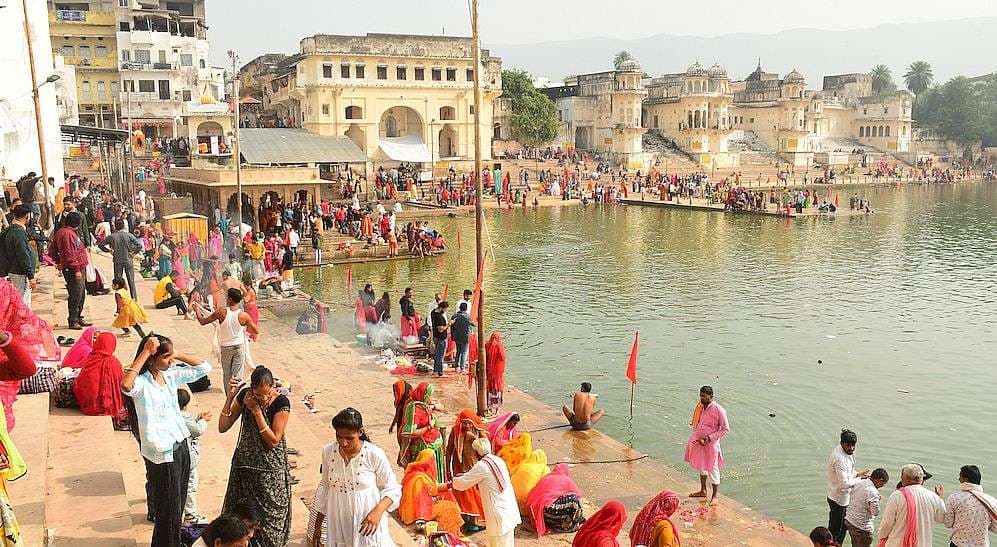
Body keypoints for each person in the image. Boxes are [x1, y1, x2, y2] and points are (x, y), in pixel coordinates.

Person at [121, 334, 212, 547]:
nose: (170, 361)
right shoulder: (142, 383)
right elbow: (126, 385)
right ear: (153, 359)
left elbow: (204, 368)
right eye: (166, 357)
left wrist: (176, 353)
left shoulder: (170, 375)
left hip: (180, 444)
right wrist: (146, 351)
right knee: (168, 511)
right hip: (162, 452)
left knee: (177, 507)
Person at [219, 366, 291, 547]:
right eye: (258, 395)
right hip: (245, 469)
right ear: (251, 389)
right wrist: (230, 398)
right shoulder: (246, 396)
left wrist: (257, 412)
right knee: (241, 519)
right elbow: (223, 426)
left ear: (273, 386)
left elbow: (273, 440)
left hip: (270, 471)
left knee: (271, 522)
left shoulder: (281, 402)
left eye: (266, 395)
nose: (263, 399)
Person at [312, 407, 401, 547]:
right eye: (339, 437)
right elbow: (325, 489)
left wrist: (377, 512)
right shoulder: (328, 452)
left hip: (367, 526)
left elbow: (393, 488)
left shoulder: (374, 454)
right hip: (339, 525)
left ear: (360, 432)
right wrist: (317, 528)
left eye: (349, 438)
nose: (343, 443)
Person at [448, 437, 521, 547]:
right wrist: (462, 477)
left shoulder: (482, 466)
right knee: (507, 541)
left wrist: (451, 483)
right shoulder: (497, 460)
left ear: (476, 453)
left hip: (497, 510)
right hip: (508, 507)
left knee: (498, 541)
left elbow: (462, 483)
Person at [194, 288, 259, 390]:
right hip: (239, 347)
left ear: (230, 299)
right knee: (238, 375)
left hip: (226, 347)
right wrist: (245, 325)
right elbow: (256, 330)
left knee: (227, 374)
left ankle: (229, 397)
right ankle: (237, 397)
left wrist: (197, 311)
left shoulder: (221, 312)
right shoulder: (243, 315)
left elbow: (203, 321)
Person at [877, 463, 946, 547]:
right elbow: (941, 519)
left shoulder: (897, 495)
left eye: (902, 476)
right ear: (921, 479)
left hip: (897, 543)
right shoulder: (933, 497)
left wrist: (882, 537)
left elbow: (887, 523)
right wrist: (940, 499)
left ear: (906, 479)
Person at [684, 385, 730, 504]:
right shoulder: (700, 407)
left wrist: (709, 438)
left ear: (711, 396)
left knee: (713, 467)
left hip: (711, 444)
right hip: (699, 442)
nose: (701, 398)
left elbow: (725, 429)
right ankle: (703, 490)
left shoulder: (719, 410)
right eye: (700, 395)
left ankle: (715, 496)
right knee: (701, 465)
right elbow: (697, 423)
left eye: (704, 396)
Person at [444, 408, 487, 532]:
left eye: (469, 423)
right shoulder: (456, 431)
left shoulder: (479, 432)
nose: (467, 426)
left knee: (475, 497)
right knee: (462, 497)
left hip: (475, 470)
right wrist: (448, 470)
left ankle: (478, 522)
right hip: (459, 468)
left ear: (474, 422)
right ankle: (467, 521)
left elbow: (486, 451)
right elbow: (449, 450)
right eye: (464, 423)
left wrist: (473, 438)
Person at [48, 211, 90, 329]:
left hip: (75, 266)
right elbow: (70, 253)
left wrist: (58, 261)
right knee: (76, 294)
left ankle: (78, 316)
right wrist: (76, 269)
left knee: (81, 293)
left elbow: (52, 250)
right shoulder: (68, 235)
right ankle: (73, 319)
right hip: (74, 268)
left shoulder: (63, 232)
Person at [827, 429, 869, 544]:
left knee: (844, 527)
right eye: (848, 445)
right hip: (838, 499)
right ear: (842, 444)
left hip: (845, 498)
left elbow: (849, 471)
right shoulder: (839, 459)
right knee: (836, 531)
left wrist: (857, 474)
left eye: (853, 445)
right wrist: (859, 479)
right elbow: (844, 484)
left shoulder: (848, 453)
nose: (851, 448)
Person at [178, 388, 211, 525]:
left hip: (180, 456)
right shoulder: (184, 415)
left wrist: (197, 418)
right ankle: (190, 516)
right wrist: (203, 421)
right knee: (190, 485)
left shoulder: (174, 414)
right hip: (188, 458)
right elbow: (197, 430)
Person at [943, 465, 997, 547]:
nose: (958, 479)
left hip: (958, 544)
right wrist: (983, 525)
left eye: (960, 477)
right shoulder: (991, 501)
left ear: (965, 480)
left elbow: (948, 524)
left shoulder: (954, 498)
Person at [73, 331, 125, 416]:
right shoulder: (115, 363)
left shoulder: (90, 359)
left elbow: (81, 384)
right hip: (112, 407)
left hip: (89, 407)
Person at [526, 463, 584, 536]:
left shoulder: (546, 477)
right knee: (573, 499)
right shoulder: (565, 479)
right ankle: (570, 524)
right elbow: (578, 495)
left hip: (541, 515)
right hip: (550, 512)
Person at [0, 204, 37, 305]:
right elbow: (23, 255)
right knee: (22, 303)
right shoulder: (18, 233)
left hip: (16, 272)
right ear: (27, 216)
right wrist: (31, 276)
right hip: (19, 273)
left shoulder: (12, 230)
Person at [844, 468, 889, 547]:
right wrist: (877, 500)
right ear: (880, 480)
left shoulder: (859, 482)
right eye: (883, 483)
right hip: (862, 527)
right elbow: (875, 512)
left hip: (850, 520)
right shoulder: (873, 493)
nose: (882, 486)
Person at [103, 219, 142, 299]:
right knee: (131, 282)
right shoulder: (128, 235)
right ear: (124, 226)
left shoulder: (112, 236)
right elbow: (139, 245)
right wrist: (134, 253)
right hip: (128, 260)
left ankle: (120, 299)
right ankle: (134, 299)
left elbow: (101, 244)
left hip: (117, 261)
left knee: (118, 283)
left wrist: (109, 250)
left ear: (115, 226)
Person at [450, 302, 475, 373]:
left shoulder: (454, 316)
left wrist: (453, 336)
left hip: (457, 336)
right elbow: (473, 324)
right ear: (466, 309)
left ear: (459, 308)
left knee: (458, 351)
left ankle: (456, 367)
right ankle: (462, 368)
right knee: (464, 352)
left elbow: (452, 327)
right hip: (465, 337)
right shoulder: (468, 317)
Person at [430, 301, 449, 377]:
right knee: (440, 355)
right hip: (441, 337)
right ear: (441, 308)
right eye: (445, 309)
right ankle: (440, 372)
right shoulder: (439, 317)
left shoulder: (433, 313)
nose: (445, 311)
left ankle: (435, 370)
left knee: (437, 355)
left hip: (436, 336)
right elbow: (441, 329)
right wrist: (448, 325)